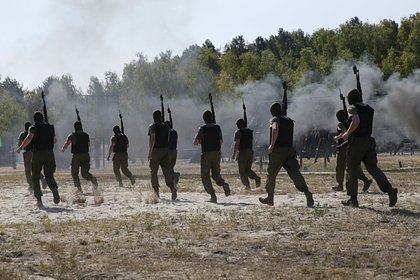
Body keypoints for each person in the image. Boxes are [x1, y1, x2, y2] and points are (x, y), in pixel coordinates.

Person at [335, 89, 398, 207]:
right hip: (369, 141)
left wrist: (347, 134)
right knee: (373, 168)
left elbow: (356, 121)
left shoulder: (352, 108)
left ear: (350, 99)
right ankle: (389, 189)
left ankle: (353, 199)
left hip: (357, 142)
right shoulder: (369, 108)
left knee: (352, 169)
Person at [259, 103, 314, 207]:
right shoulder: (289, 120)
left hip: (278, 151)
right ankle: (307, 192)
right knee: (295, 173)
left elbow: (275, 129)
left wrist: (272, 145)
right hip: (289, 150)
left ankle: (270, 198)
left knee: (271, 174)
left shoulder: (274, 119)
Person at [16, 111, 60, 208]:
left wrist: (20, 148)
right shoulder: (50, 127)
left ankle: (39, 200)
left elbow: (29, 138)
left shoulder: (33, 128)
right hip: (50, 153)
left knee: (35, 177)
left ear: (34, 119)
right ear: (43, 118)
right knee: (49, 175)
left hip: (38, 153)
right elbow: (55, 141)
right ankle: (53, 189)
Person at [193, 110, 230, 203]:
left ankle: (213, 196)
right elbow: (221, 141)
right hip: (217, 153)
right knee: (216, 174)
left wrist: (199, 134)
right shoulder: (217, 127)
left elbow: (195, 142)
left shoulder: (203, 128)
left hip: (206, 154)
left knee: (205, 176)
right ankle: (223, 184)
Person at [332, 109, 372, 192]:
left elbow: (343, 132)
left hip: (343, 147)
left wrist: (337, 138)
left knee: (340, 166)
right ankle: (365, 180)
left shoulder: (340, 124)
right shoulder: (350, 123)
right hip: (351, 145)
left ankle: (340, 185)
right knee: (352, 166)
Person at [61, 121, 98, 193]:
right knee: (84, 173)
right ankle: (93, 179)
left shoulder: (72, 135)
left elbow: (67, 143)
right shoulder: (86, 135)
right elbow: (88, 145)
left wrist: (63, 149)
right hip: (85, 155)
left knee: (74, 173)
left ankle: (79, 188)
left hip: (77, 156)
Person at [147, 111, 177, 200]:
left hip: (156, 150)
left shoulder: (152, 126)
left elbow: (153, 139)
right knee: (167, 171)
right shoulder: (166, 126)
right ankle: (172, 188)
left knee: (153, 172)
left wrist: (150, 152)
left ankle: (156, 192)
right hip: (166, 150)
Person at [231, 118, 261, 190]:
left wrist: (234, 154)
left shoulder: (238, 132)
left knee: (242, 171)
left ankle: (247, 186)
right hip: (250, 152)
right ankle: (256, 178)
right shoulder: (249, 131)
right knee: (248, 170)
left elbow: (237, 143)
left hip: (243, 152)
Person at [17, 122, 47, 193]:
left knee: (28, 170)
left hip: (27, 153)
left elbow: (19, 143)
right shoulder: (35, 132)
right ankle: (42, 178)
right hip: (35, 152)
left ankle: (31, 185)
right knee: (35, 168)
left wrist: (20, 147)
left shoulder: (23, 134)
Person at [165, 120, 181, 186]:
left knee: (168, 168)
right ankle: (173, 181)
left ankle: (175, 176)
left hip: (169, 152)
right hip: (175, 151)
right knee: (171, 167)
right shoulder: (174, 132)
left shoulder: (166, 133)